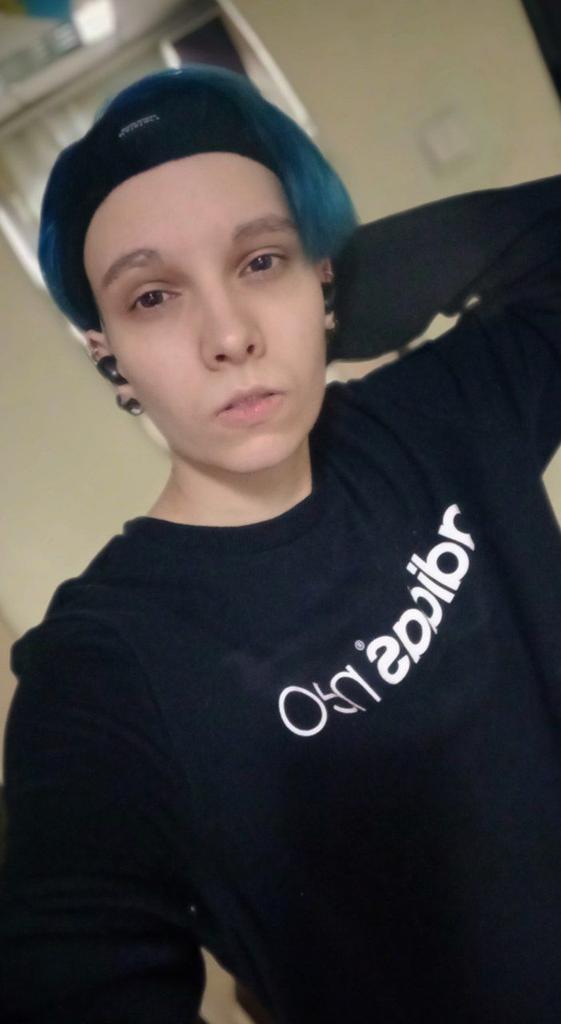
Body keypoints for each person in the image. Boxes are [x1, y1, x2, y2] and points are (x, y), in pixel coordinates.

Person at [1, 63, 561, 1024]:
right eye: (152, 297)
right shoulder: (100, 676)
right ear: (109, 357)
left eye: (260, 262)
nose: (228, 335)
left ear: (318, 274)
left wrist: (355, 288)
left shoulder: (437, 419)